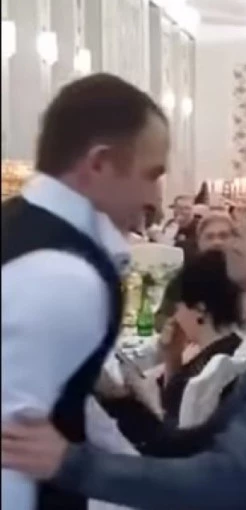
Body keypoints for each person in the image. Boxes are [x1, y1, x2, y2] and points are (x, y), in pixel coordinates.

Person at [1, 182, 246, 510]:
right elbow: (190, 448)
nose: (240, 227)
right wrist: (120, 400)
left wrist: (67, 462)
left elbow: (222, 479)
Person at [1, 73, 170, 510]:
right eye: (151, 175)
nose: (155, 198)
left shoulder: (23, 227)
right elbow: (12, 454)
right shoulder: (63, 275)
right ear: (100, 164)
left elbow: (68, 404)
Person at [100, 249, 244, 444]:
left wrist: (148, 400)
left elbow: (174, 433)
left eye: (178, 307)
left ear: (199, 309)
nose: (176, 316)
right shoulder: (232, 348)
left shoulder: (210, 370)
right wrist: (172, 358)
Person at [154, 212, 236, 331]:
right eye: (209, 237)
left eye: (223, 236)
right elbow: (161, 319)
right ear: (199, 243)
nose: (216, 242)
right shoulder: (185, 278)